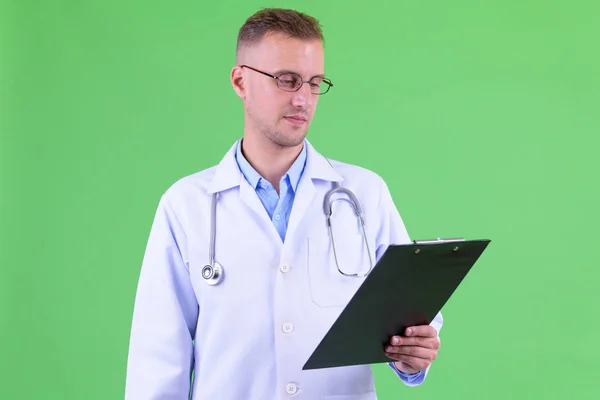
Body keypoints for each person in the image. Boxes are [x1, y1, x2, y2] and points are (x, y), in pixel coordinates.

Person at [124, 7, 443, 400]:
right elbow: (157, 358)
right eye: (287, 80)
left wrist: (412, 355)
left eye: (314, 82)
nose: (303, 99)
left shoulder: (364, 193)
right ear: (241, 80)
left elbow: (411, 314)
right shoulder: (185, 205)